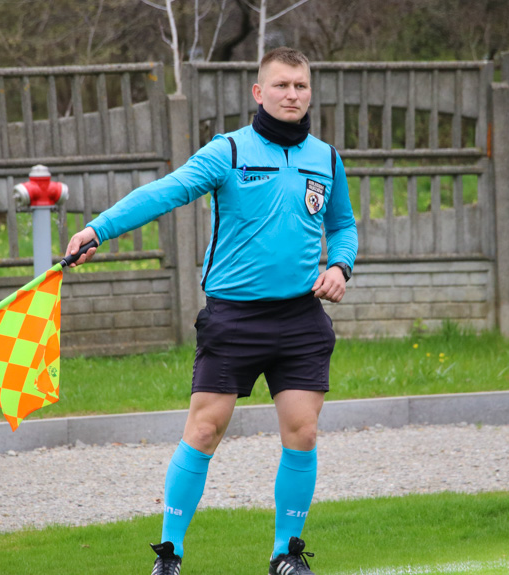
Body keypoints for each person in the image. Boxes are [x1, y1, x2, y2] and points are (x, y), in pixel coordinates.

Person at [65, 46, 358, 575]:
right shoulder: (228, 151)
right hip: (234, 317)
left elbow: (343, 225)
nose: (292, 95)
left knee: (303, 433)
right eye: (281, 85)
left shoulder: (326, 157)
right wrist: (97, 229)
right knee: (204, 431)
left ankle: (286, 556)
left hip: (300, 319)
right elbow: (167, 191)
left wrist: (339, 266)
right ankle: (170, 554)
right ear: (258, 92)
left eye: (301, 86)